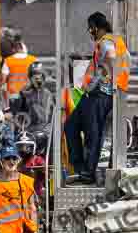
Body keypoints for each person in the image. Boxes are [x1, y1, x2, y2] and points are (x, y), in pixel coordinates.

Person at [66, 11, 131, 186]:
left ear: (95, 27)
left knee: (92, 134)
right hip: (105, 94)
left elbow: (110, 58)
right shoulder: (117, 41)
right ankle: (81, 169)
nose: (90, 32)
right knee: (72, 125)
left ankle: (87, 172)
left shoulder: (106, 42)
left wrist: (97, 80)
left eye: (90, 28)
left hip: (100, 94)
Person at [10, 62, 54, 136]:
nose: (37, 79)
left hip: (46, 131)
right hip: (29, 131)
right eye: (34, 76)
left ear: (43, 77)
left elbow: (53, 115)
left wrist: (49, 129)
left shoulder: (49, 94)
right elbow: (18, 114)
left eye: (39, 76)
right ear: (30, 77)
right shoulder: (24, 93)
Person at [0, 33, 37, 106]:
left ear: (13, 49)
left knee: (13, 113)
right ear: (23, 48)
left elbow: (3, 80)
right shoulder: (33, 60)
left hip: (13, 93)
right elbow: (38, 78)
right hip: (28, 92)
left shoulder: (8, 60)